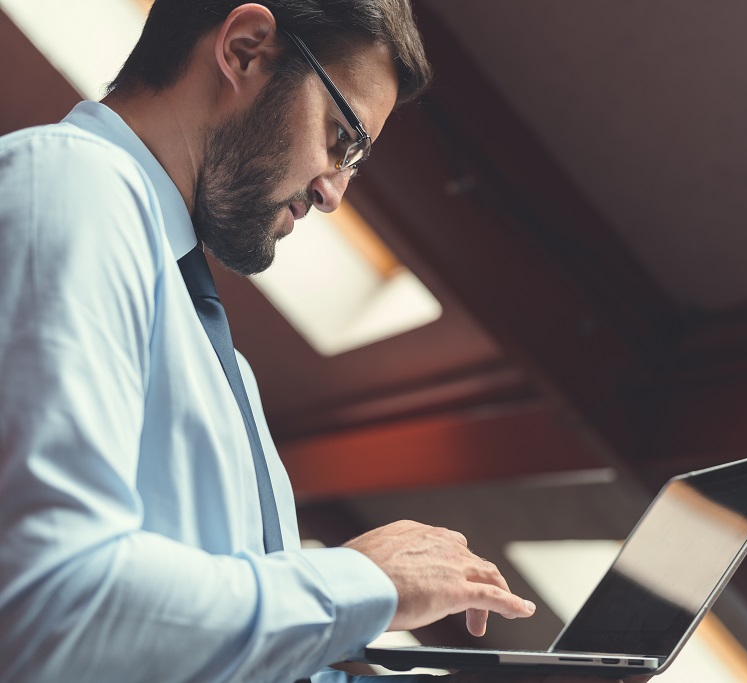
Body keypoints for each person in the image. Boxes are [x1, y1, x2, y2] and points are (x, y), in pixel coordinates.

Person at [0, 2, 542, 681]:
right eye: (343, 138)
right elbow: (51, 608)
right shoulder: (71, 186)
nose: (334, 193)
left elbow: (227, 654)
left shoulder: (225, 365)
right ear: (247, 50)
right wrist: (360, 579)